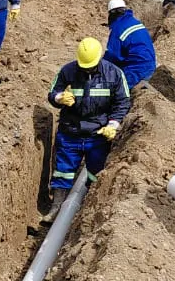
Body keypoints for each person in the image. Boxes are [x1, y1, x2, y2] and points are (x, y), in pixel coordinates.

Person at [45, 37, 132, 219]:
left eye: (90, 66)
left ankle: (87, 212)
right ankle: (56, 209)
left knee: (96, 173)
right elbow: (52, 93)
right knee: (63, 171)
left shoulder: (114, 74)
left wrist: (113, 124)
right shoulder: (68, 71)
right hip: (71, 131)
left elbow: (122, 102)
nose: (87, 69)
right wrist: (59, 98)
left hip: (97, 135)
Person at [104, 0, 157, 88]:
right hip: (150, 67)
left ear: (111, 14)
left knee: (115, 88)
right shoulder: (135, 22)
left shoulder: (118, 29)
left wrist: (100, 67)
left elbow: (112, 57)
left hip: (136, 71)